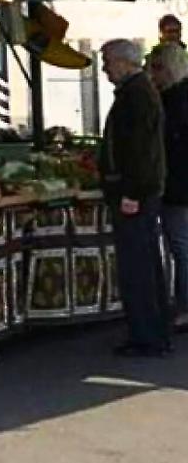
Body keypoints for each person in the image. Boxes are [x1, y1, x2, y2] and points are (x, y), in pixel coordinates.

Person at [99, 39, 171, 357]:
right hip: (142, 190)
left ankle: (147, 335)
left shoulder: (136, 96)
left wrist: (131, 192)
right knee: (144, 263)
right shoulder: (138, 92)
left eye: (107, 61)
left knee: (137, 266)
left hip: (136, 193)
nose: (104, 68)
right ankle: (152, 331)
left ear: (125, 62)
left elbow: (140, 151)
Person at [148, 42, 188, 330]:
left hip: (178, 188)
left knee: (182, 249)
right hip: (180, 186)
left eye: (156, 68)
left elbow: (168, 148)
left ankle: (185, 307)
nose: (152, 74)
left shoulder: (172, 101)